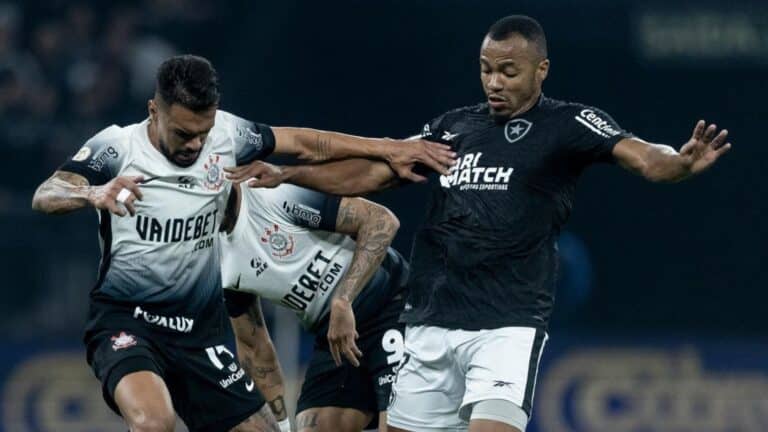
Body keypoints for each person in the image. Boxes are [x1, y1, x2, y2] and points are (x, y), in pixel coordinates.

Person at [230, 15, 732, 432]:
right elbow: (376, 172)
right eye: (487, 70)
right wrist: (289, 173)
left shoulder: (568, 124)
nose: (494, 82)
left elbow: (644, 157)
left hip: (506, 325)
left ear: (542, 71)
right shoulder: (454, 128)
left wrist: (679, 164)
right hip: (429, 321)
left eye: (509, 72)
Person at [30, 54, 453, 432]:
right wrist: (93, 194)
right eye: (183, 134)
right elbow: (47, 193)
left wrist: (391, 147)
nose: (195, 145)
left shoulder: (232, 142)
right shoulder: (116, 146)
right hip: (129, 321)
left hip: (199, 337)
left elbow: (307, 143)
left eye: (204, 133)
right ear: (153, 110)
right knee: (154, 420)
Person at [219, 181, 408, 432]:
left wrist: (343, 299)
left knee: (399, 426)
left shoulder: (275, 195)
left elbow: (381, 221)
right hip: (334, 336)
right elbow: (253, 347)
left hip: (390, 303)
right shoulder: (219, 262)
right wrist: (283, 426)